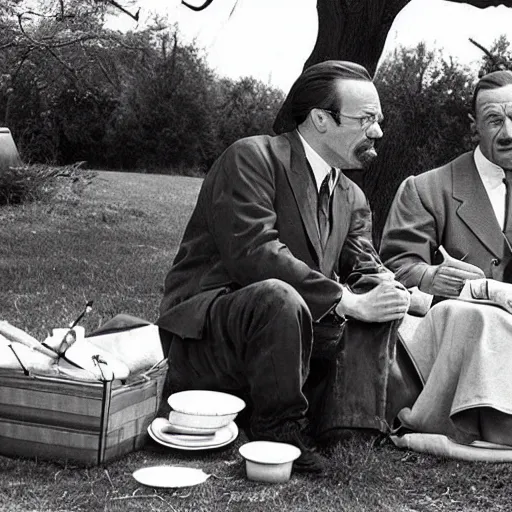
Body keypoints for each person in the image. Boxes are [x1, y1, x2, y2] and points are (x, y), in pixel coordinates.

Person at [157, 60, 410, 473]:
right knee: (278, 294)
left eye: (378, 120)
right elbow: (255, 254)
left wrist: (390, 290)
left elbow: (365, 265)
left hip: (291, 341)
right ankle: (279, 429)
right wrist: (347, 301)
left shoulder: (352, 196)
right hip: (210, 338)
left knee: (370, 303)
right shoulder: (251, 157)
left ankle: (350, 425)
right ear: (319, 120)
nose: (377, 131)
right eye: (365, 119)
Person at [380, 70, 512, 446]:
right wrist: (433, 277)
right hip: (462, 347)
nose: (508, 132)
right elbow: (394, 268)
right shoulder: (426, 189)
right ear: (474, 126)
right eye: (494, 119)